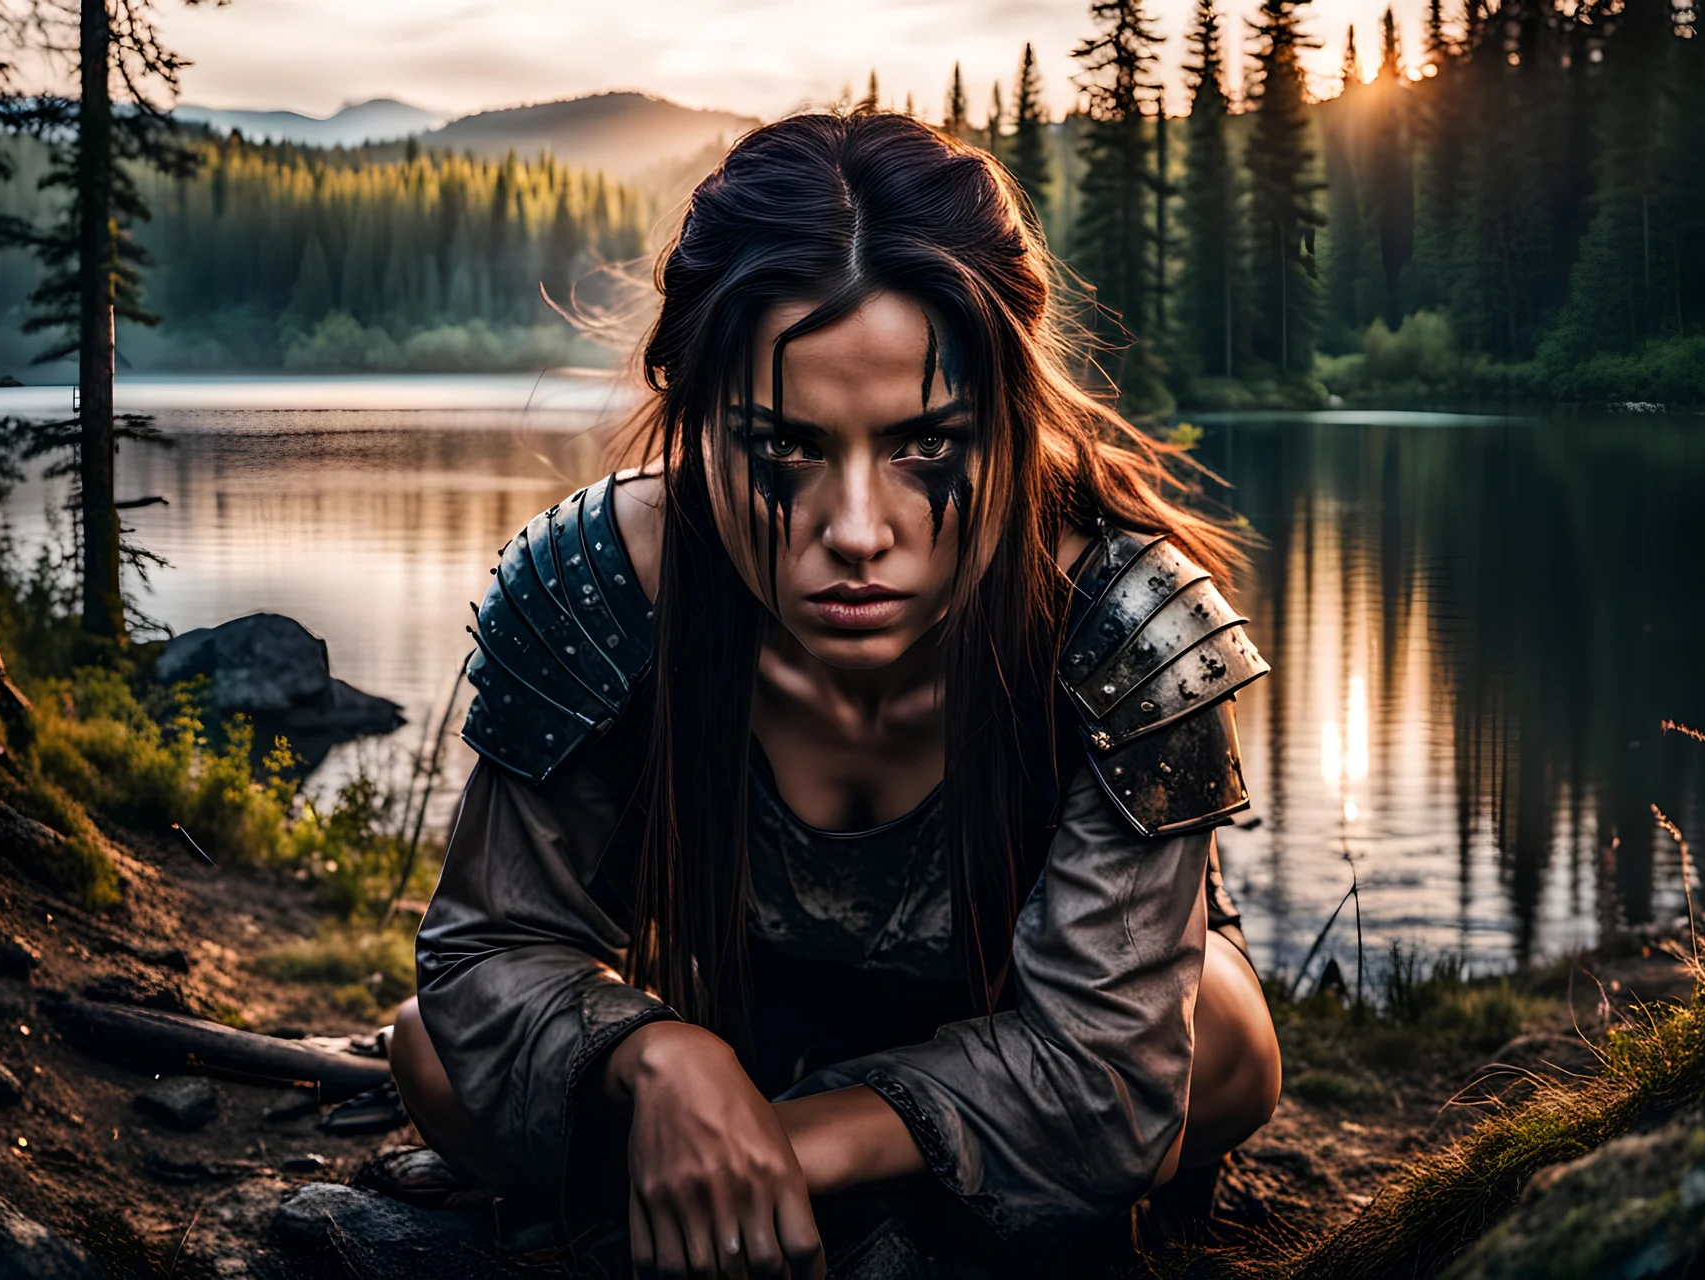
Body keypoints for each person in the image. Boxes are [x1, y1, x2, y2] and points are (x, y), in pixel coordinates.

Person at [389, 110, 1280, 1279]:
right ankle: (841, 1192)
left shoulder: (1121, 624)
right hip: (739, 1027)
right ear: (696, 415)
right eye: (786, 446)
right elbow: (484, 955)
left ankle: (752, 1191)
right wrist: (656, 1062)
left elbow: (1109, 1071)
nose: (856, 531)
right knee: (429, 1055)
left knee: (1218, 1042)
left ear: (1007, 418)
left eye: (926, 445)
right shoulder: (601, 583)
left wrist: (785, 1139)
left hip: (1035, 1040)